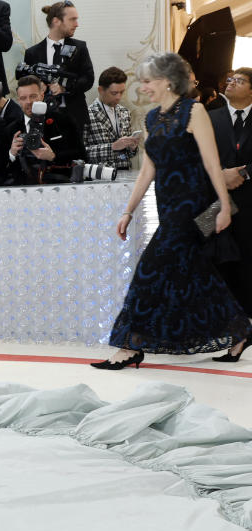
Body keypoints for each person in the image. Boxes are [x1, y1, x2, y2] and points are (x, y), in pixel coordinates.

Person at [92, 53, 251, 370]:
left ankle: (128, 346)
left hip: (191, 207)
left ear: (167, 81)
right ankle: (240, 329)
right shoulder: (152, 119)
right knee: (194, 274)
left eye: (148, 80)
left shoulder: (195, 111)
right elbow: (146, 172)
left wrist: (223, 208)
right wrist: (127, 212)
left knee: (148, 271)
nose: (144, 86)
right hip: (167, 206)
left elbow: (210, 164)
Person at [208, 68, 252, 355]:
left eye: (240, 80)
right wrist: (220, 174)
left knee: (248, 259)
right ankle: (227, 323)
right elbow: (201, 154)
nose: (231, 83)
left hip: (250, 199)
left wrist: (245, 174)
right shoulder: (212, 117)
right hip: (216, 200)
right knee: (218, 258)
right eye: (230, 80)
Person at [20, 1, 94, 128]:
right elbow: (25, 85)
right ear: (56, 21)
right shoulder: (32, 53)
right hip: (43, 118)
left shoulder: (79, 47)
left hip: (74, 118)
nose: (77, 24)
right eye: (72, 19)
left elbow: (88, 79)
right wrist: (38, 86)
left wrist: (64, 88)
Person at [6, 74, 84, 185]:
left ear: (42, 96)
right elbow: (1, 168)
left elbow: (82, 156)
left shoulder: (63, 121)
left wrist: (53, 156)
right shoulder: (11, 129)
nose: (28, 101)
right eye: (23, 98)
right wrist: (12, 154)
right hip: (24, 191)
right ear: (18, 101)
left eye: (33, 96)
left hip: (59, 186)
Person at [84, 66, 138, 169]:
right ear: (101, 90)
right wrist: (112, 147)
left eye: (122, 92)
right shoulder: (87, 114)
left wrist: (132, 147)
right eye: (114, 93)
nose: (119, 97)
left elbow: (131, 154)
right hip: (101, 176)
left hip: (126, 173)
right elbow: (82, 152)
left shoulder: (125, 112)